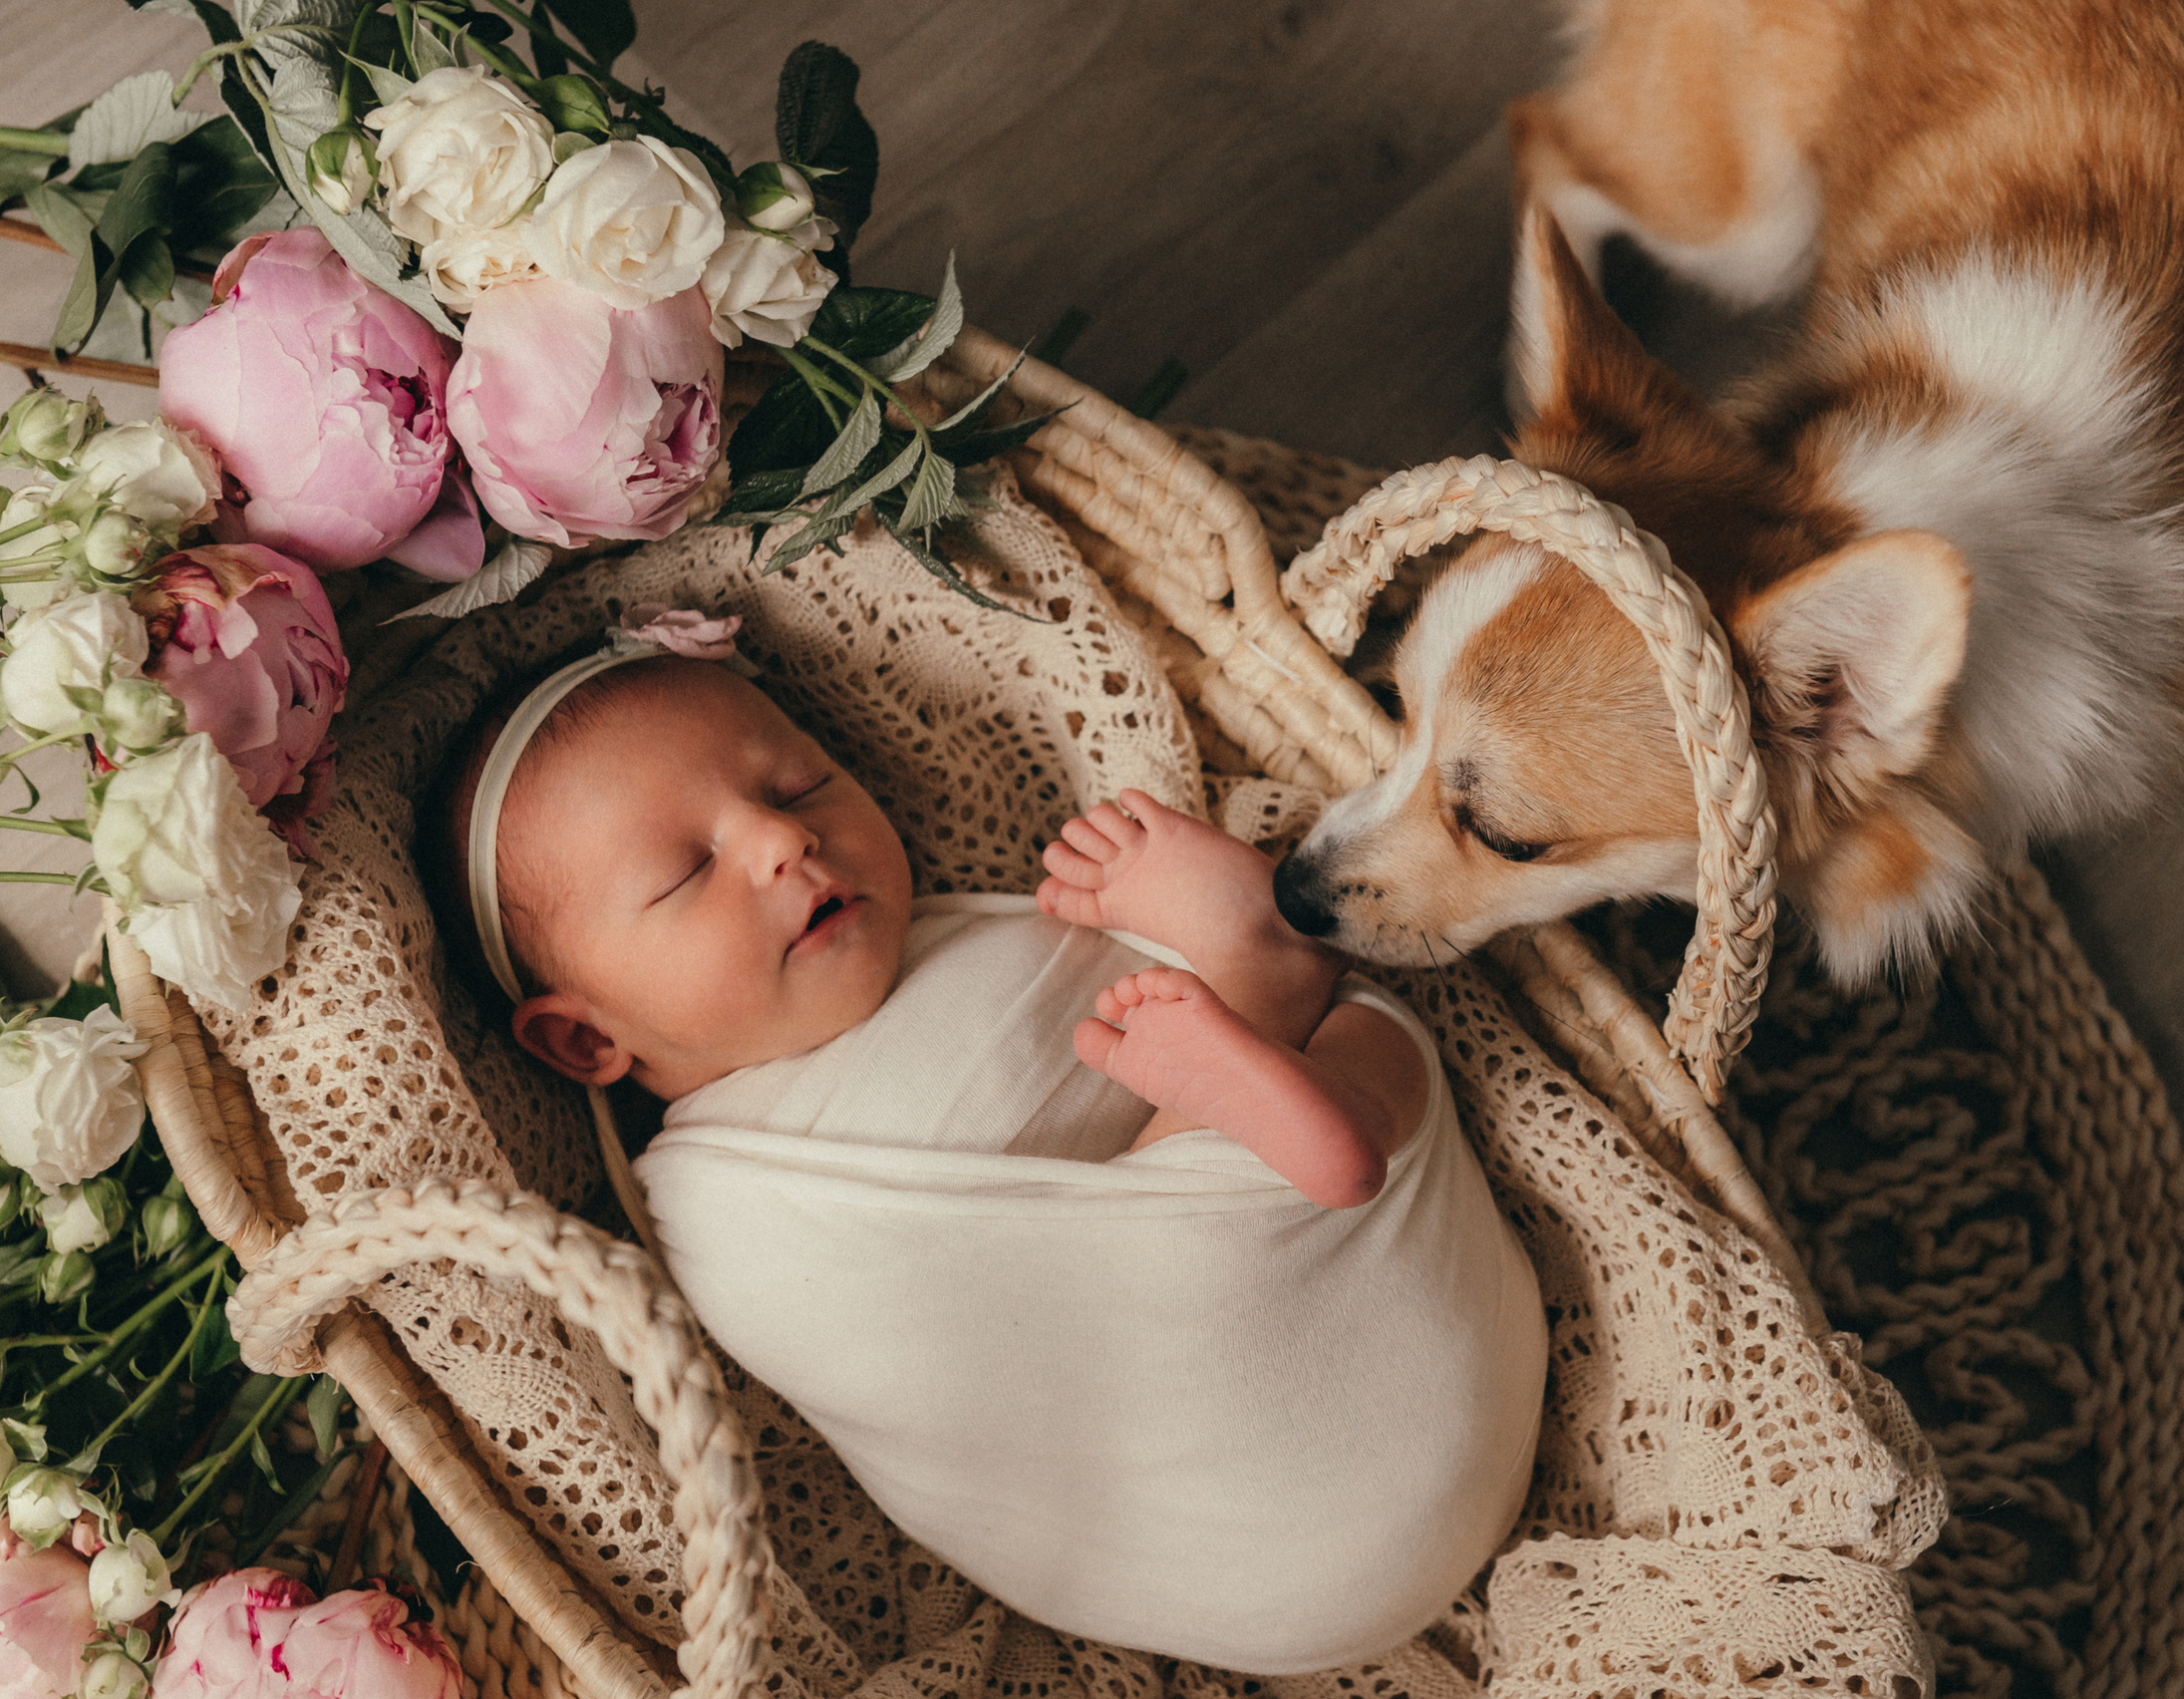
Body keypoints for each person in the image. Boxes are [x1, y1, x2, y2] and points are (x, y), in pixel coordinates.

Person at [427, 609, 1547, 1674]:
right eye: (683, 872)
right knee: (1254, 1125)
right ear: (584, 1040)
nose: (781, 838)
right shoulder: (719, 1199)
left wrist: (1154, 947)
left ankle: (1273, 1045)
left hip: (1435, 1354)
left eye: (797, 782)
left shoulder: (949, 931)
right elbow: (973, 1357)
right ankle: (1261, 986)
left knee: (1370, 1037)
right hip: (1269, 1538)